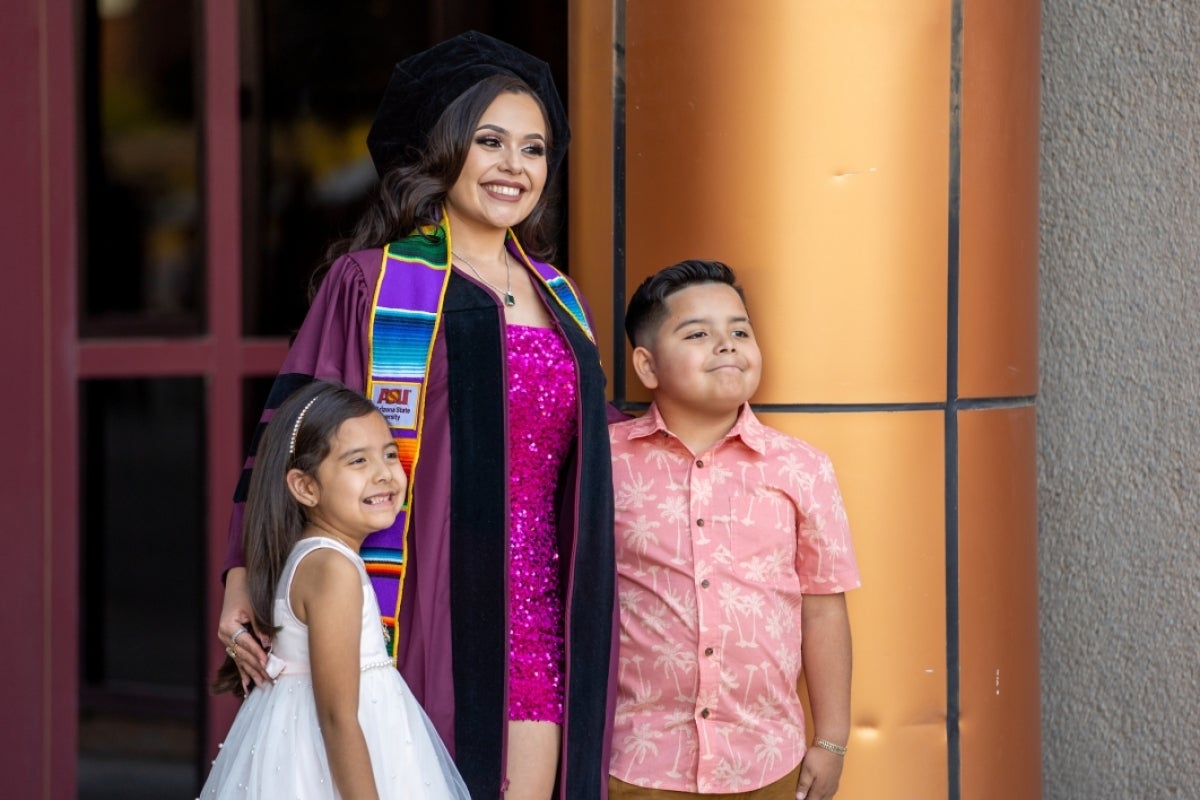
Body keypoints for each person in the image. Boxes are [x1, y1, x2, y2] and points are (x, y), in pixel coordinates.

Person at [216, 31, 616, 800]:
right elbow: (289, 437)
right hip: (419, 596)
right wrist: (242, 573)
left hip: (545, 611)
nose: (514, 166)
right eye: (490, 141)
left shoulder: (565, 303)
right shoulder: (373, 285)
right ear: (444, 149)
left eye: (534, 150)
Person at [607, 261, 861, 800]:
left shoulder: (801, 468)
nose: (727, 344)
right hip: (636, 760)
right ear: (647, 366)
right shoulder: (604, 464)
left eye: (739, 330)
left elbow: (822, 606)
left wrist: (832, 740)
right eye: (698, 333)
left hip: (765, 759)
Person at [201, 380, 470, 799]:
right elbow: (337, 716)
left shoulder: (309, 556)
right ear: (305, 487)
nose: (384, 473)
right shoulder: (333, 569)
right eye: (358, 461)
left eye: (389, 454)